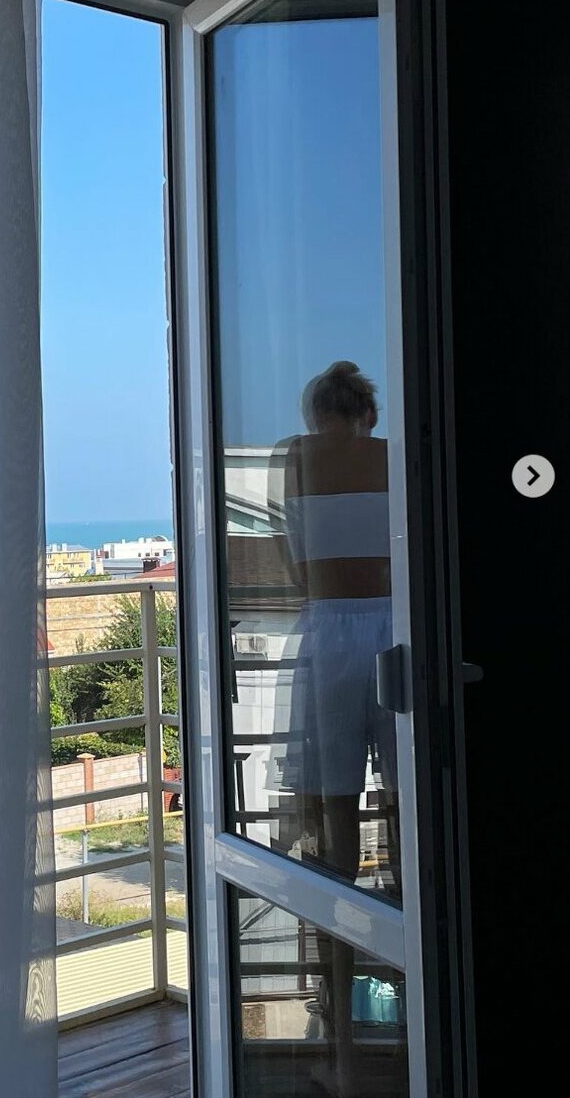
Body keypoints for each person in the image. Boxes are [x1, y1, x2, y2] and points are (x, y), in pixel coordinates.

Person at [270, 360, 400, 1095]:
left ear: (315, 411)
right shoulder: (391, 455)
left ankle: (341, 1050)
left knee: (334, 839)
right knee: (409, 824)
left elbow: (294, 566)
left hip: (328, 637)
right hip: (395, 630)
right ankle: (421, 1022)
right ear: (367, 413)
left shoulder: (295, 455)